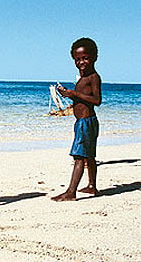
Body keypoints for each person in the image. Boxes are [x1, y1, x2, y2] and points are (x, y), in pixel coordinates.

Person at [52, 38, 102, 201]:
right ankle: (92, 186)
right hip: (85, 122)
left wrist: (75, 94)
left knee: (79, 156)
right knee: (89, 156)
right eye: (77, 59)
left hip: (86, 123)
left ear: (94, 57)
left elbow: (97, 100)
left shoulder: (93, 77)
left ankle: (70, 192)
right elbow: (81, 102)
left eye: (85, 58)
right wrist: (68, 96)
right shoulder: (82, 79)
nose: (81, 62)